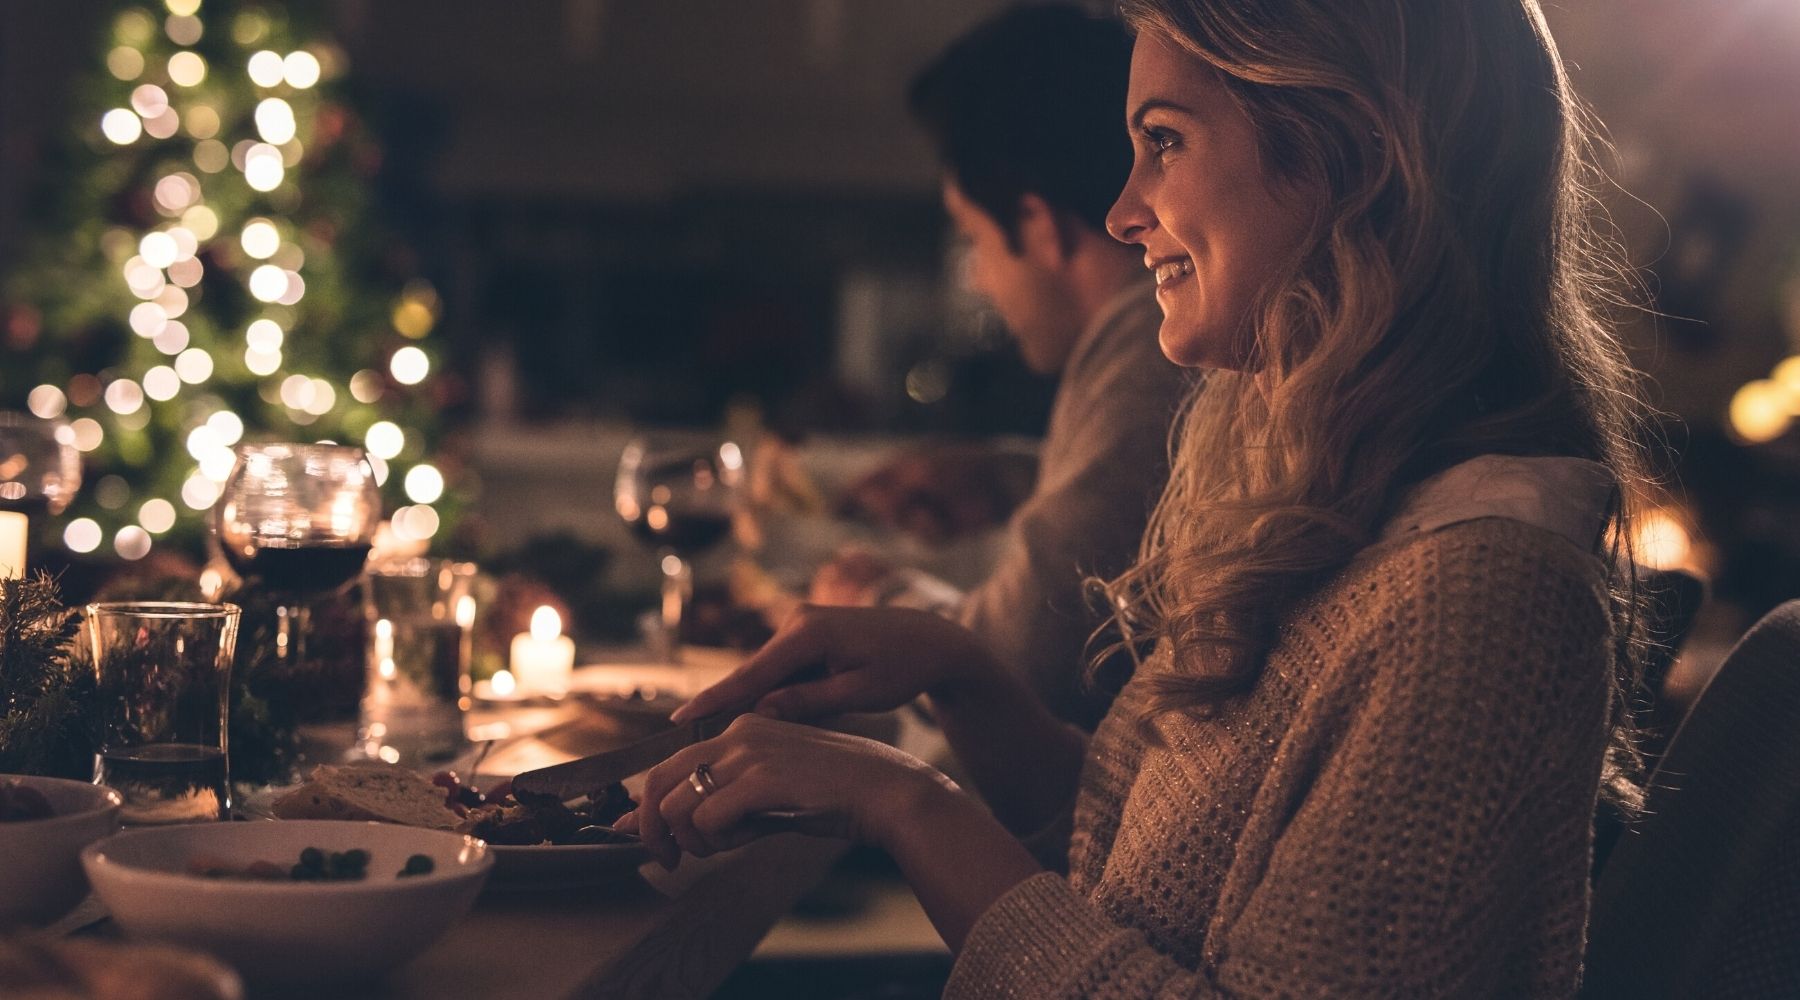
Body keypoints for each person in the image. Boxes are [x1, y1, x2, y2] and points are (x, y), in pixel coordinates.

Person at [617, 0, 1651, 995]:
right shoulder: (1343, 504)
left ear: (1358, 156)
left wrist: (907, 803)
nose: (1122, 213)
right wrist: (962, 673)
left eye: (1164, 140)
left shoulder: (1480, 593)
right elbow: (1156, 874)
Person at [810, 4, 1194, 728]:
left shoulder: (1155, 342)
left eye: (973, 239)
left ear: (1039, 226)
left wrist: (870, 604)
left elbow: (1027, 666)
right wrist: (1010, 477)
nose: (981, 279)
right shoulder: (1141, 342)